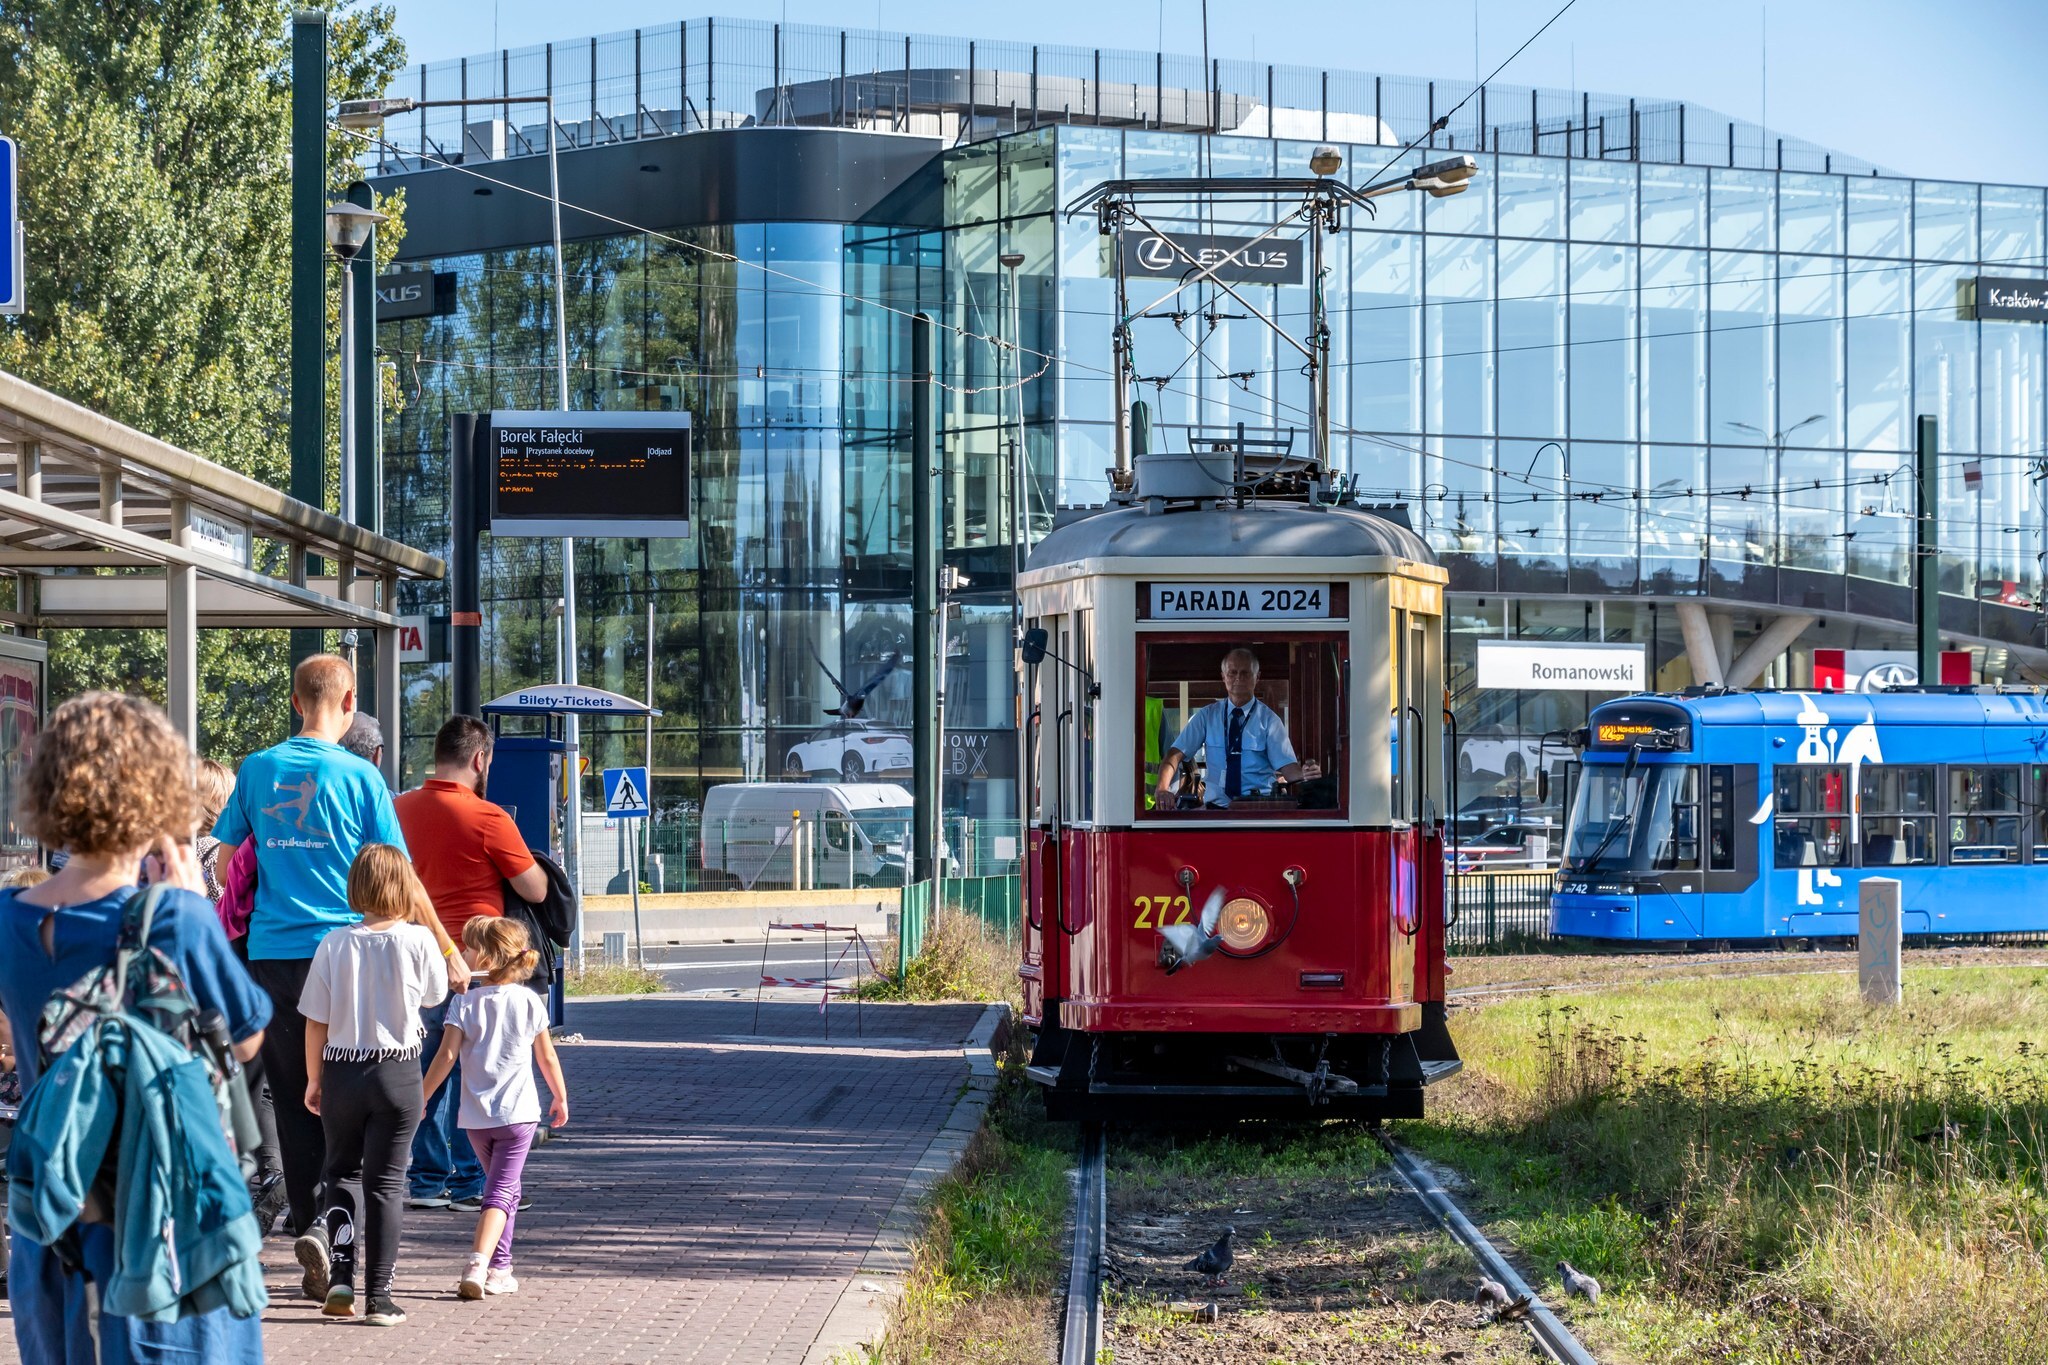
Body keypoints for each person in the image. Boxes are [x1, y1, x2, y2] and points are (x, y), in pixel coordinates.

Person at [0, 692, 270, 1364]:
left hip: (54, 1215)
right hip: (166, 1228)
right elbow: (243, 1039)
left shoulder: (8, 917)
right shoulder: (175, 920)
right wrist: (191, 904)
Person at [210, 654, 465, 1267]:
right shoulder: (361, 778)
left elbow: (224, 865)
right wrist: (447, 946)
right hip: (348, 958)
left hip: (274, 957)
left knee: (295, 1098)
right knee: (345, 1095)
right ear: (349, 704)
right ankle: (332, 1227)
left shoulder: (257, 768)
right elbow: (399, 878)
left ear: (296, 701)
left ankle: (309, 1224)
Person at [395, 715, 547, 1213]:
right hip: (475, 963)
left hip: (415, 961)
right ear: (480, 760)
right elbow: (535, 889)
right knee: (470, 1069)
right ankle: (468, 1183)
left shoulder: (398, 810)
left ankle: (424, 1178)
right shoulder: (489, 818)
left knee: (427, 1063)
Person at [298, 843, 448, 1328]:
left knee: (341, 1174)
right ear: (405, 886)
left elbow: (315, 1021)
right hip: (398, 1070)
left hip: (342, 1069)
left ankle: (341, 1278)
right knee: (386, 1184)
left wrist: (314, 1078)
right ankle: (379, 1296)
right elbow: (434, 995)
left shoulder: (333, 944)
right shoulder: (420, 941)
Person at [422, 916, 569, 1299]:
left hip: (475, 1120)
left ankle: (500, 1269)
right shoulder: (529, 1001)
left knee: (504, 1191)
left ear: (487, 956)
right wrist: (560, 1095)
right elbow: (547, 1058)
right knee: (501, 1194)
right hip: (519, 1115)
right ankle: (479, 1263)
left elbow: (445, 1056)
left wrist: (421, 1096)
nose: (463, 953)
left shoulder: (464, 1003)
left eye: (468, 948)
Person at [1153, 647, 1321, 809]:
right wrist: (1162, 789)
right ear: (1223, 677)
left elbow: (1288, 768)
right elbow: (1174, 755)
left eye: (1245, 673)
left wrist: (1305, 774)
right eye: (1232, 673)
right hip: (1215, 811)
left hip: (1258, 811)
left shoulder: (1269, 721)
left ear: (1257, 677)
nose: (1238, 678)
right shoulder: (1207, 716)